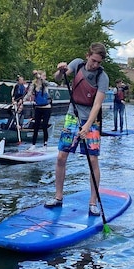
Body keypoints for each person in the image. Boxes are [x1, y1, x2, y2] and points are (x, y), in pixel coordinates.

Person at [45, 42, 109, 217]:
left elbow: (97, 105)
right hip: (72, 116)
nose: (95, 65)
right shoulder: (77, 64)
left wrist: (87, 126)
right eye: (94, 60)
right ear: (88, 55)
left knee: (93, 161)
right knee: (61, 157)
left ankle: (92, 203)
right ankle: (58, 197)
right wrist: (61, 69)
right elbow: (58, 78)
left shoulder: (102, 77)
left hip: (91, 120)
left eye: (99, 62)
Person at [25, 70, 52, 150]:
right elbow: (28, 94)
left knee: (44, 126)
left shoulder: (45, 84)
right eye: (44, 76)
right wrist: (22, 100)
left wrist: (40, 77)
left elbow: (47, 83)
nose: (45, 77)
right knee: (36, 126)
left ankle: (45, 144)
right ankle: (33, 144)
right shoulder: (33, 85)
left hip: (46, 108)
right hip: (38, 108)